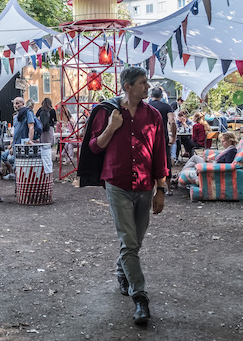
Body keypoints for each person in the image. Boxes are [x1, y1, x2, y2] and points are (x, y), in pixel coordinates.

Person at [78, 66, 168, 325]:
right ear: (127, 86)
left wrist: (160, 189)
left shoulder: (153, 115)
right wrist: (111, 127)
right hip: (116, 184)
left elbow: (160, 153)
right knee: (129, 243)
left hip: (144, 185)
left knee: (135, 243)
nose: (147, 87)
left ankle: (121, 271)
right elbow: (94, 146)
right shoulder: (107, 112)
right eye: (142, 83)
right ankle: (140, 298)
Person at [148, 87, 176, 195]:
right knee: (166, 161)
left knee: (150, 161)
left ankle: (154, 188)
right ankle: (168, 189)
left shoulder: (147, 107)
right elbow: (172, 122)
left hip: (148, 137)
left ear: (151, 95)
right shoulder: (166, 107)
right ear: (161, 96)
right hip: (162, 136)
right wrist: (173, 136)